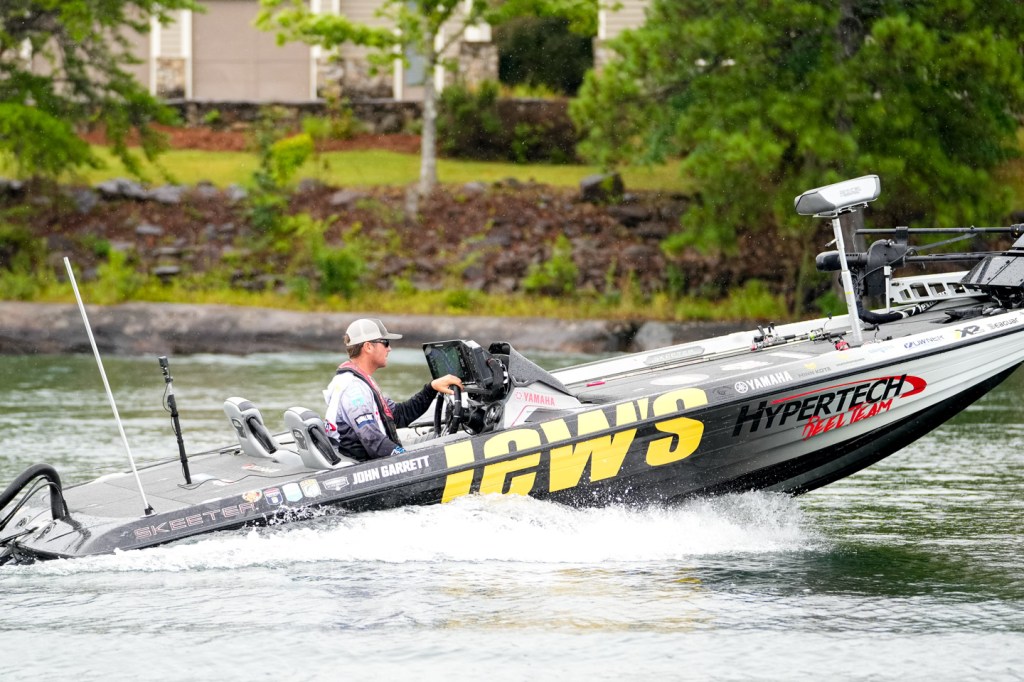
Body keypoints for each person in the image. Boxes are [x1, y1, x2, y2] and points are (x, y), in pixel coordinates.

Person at [323, 318, 463, 461]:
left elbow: (401, 415)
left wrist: (431, 388)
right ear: (368, 347)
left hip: (375, 458)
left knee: (453, 437)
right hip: (365, 465)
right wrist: (407, 458)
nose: (389, 348)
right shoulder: (354, 389)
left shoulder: (360, 381)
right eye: (386, 343)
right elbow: (372, 440)